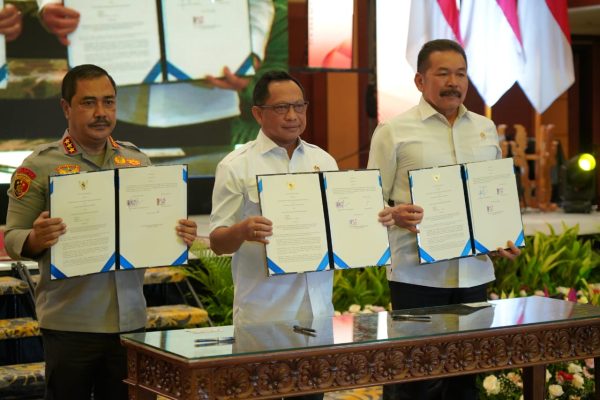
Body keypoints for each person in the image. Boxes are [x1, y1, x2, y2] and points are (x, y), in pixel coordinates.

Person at [4, 64, 198, 400]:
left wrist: (178, 232)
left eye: (109, 102)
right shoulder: (39, 166)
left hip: (131, 321)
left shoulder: (137, 162)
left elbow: (156, 228)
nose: (100, 113)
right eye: (88, 103)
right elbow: (13, 238)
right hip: (70, 324)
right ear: (66, 107)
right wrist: (37, 238)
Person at [367, 39, 521, 400]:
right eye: (443, 73)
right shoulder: (394, 131)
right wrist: (393, 214)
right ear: (420, 81)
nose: (454, 82)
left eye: (461, 74)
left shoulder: (485, 129)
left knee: (466, 376)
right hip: (416, 276)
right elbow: (367, 201)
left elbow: (494, 199)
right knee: (412, 376)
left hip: (474, 274)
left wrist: (503, 237)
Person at [209, 70, 337, 400]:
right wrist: (241, 230)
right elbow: (217, 242)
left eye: (299, 106)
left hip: (316, 312)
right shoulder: (235, 166)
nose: (293, 116)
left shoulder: (324, 161)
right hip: (264, 315)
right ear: (257, 113)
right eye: (281, 108)